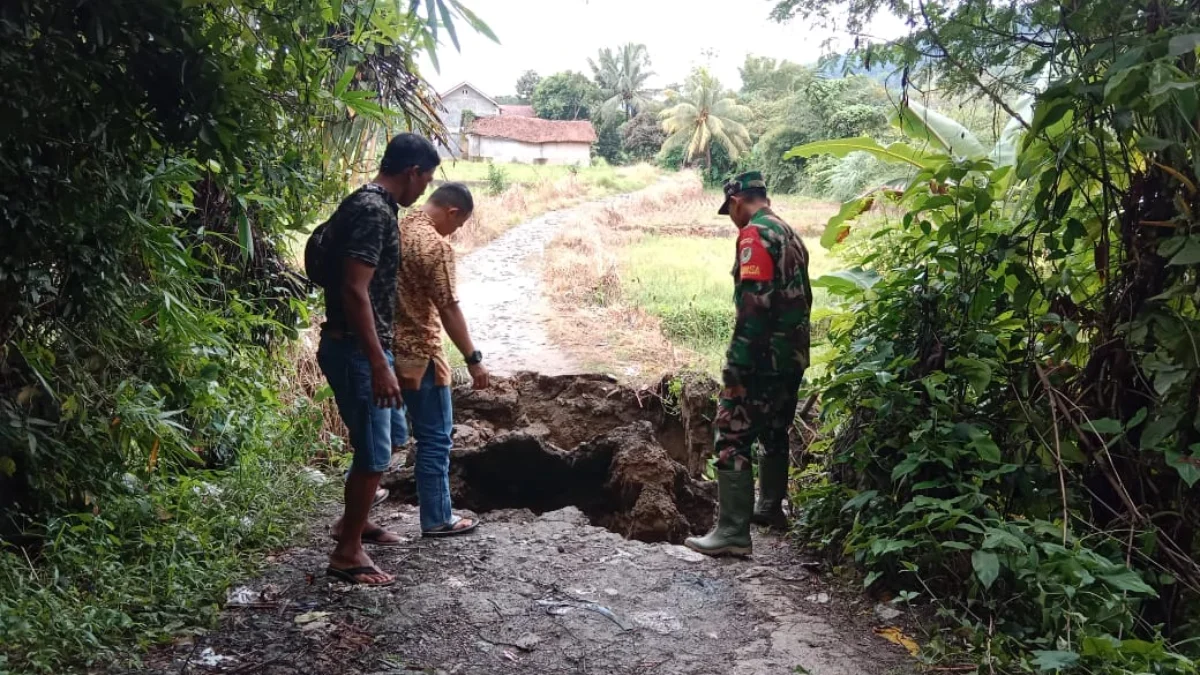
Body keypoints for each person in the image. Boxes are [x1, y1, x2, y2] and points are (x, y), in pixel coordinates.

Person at [319, 133, 439, 585]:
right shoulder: (372, 211)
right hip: (355, 348)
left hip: (363, 347)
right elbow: (354, 288)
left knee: (387, 437)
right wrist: (379, 363)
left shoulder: (372, 205)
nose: (425, 190)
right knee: (372, 451)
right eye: (425, 180)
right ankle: (347, 552)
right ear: (412, 172)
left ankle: (354, 523)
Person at [685, 171, 812, 557]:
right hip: (792, 356)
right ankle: (770, 508)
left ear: (738, 201)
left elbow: (754, 308)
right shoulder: (790, 232)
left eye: (730, 211)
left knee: (731, 436)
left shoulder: (755, 235)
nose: (732, 218)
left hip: (761, 360)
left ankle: (732, 533)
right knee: (775, 430)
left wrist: (736, 367)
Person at [392, 182, 489, 536]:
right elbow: (448, 308)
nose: (456, 231)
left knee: (384, 437)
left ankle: (362, 508)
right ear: (452, 212)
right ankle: (437, 517)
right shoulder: (435, 246)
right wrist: (472, 358)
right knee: (434, 438)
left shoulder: (398, 227)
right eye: (459, 224)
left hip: (386, 351)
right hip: (422, 353)